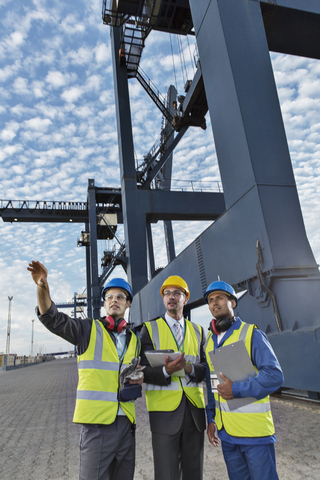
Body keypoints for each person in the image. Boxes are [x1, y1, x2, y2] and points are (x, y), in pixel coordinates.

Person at [27, 260, 144, 480]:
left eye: (120, 297)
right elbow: (53, 319)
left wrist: (140, 378)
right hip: (97, 427)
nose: (114, 300)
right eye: (109, 297)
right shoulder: (87, 330)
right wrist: (42, 287)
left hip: (127, 425)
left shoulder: (134, 340)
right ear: (104, 304)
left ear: (128, 303)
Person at [203, 280, 284, 480]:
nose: (214, 303)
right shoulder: (209, 343)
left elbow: (274, 376)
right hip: (228, 436)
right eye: (211, 300)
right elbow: (213, 383)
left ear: (233, 302)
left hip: (254, 435)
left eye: (220, 298)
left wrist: (237, 389)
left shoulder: (251, 334)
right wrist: (211, 418)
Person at [140, 275, 206, 480]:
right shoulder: (149, 329)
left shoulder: (199, 331)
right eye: (167, 293)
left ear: (185, 298)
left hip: (194, 412)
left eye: (177, 293)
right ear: (163, 299)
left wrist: (189, 369)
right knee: (166, 474)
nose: (171, 297)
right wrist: (166, 372)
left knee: (194, 473)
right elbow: (142, 370)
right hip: (164, 414)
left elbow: (205, 368)